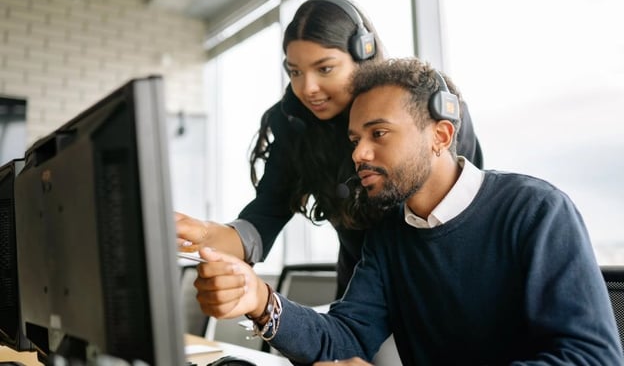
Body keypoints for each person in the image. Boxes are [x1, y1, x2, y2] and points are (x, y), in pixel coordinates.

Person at [191, 57, 623, 365]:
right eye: (355, 138)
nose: (359, 152)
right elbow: (347, 335)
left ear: (440, 135)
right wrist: (262, 302)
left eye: (379, 133)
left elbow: (590, 357)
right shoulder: (389, 234)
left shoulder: (535, 212)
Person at [176, 0, 483, 297]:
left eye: (324, 69)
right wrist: (201, 234)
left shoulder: (431, 111)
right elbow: (263, 218)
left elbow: (469, 214)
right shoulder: (295, 125)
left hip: (437, 288)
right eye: (295, 72)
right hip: (360, 299)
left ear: (364, 56)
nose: (307, 88)